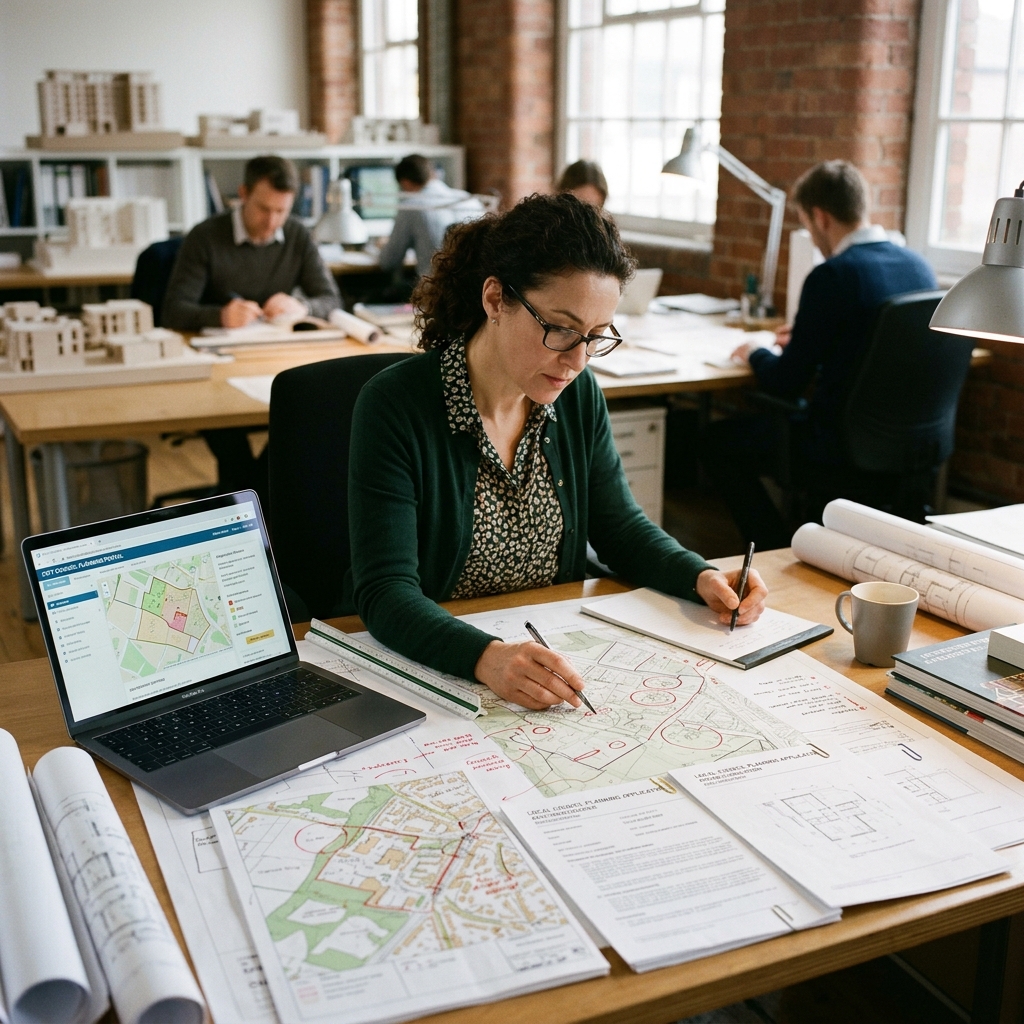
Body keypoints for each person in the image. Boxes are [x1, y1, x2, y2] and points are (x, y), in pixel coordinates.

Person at [347, 193, 767, 710]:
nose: (577, 361)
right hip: (441, 667)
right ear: (495, 299)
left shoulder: (576, 395)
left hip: (551, 650)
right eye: (562, 329)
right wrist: (486, 657)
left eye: (595, 336)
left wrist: (698, 575)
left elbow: (620, 527)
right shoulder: (395, 405)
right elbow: (385, 592)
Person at [701, 160, 937, 549]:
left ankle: (775, 547)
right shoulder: (920, 268)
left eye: (808, 227)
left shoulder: (833, 276)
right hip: (911, 449)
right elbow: (872, 338)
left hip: (835, 447)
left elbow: (785, 382)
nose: (812, 238)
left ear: (821, 217)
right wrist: (812, 336)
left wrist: (756, 352)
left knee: (715, 441)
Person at [162, 155, 341, 502]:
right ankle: (248, 502)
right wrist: (220, 315)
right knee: (237, 457)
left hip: (271, 359)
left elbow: (331, 299)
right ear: (242, 194)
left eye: (281, 211)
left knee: (303, 422)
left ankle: (251, 503)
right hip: (217, 370)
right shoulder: (205, 236)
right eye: (263, 209)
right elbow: (173, 311)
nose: (272, 222)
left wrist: (302, 306)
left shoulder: (297, 235)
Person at [377, 154, 485, 279]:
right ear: (432, 174)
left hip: (436, 288)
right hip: (478, 287)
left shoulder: (411, 207)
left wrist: (383, 246)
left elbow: (388, 262)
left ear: (405, 183)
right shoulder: (469, 200)